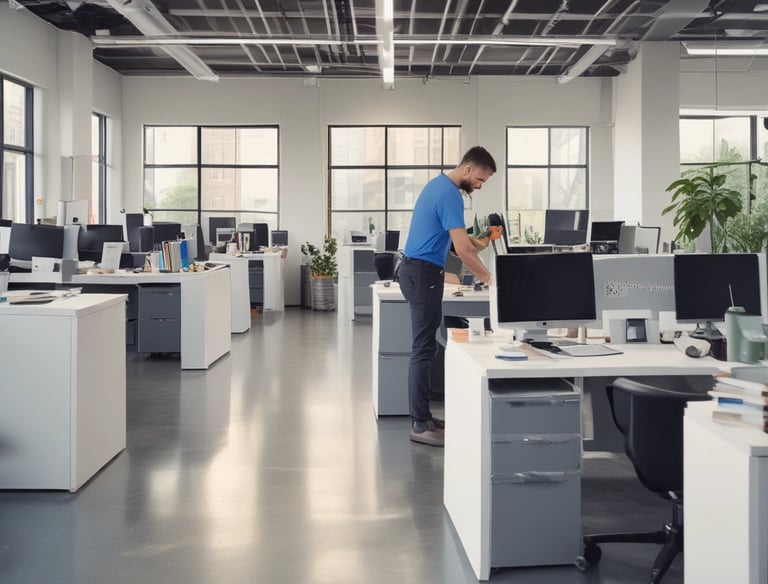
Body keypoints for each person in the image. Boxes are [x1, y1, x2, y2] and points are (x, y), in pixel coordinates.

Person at [398, 146, 497, 447]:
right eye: (480, 179)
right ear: (467, 169)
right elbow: (463, 251)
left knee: (425, 348)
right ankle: (419, 424)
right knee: (423, 350)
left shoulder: (439, 186)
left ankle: (425, 418)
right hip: (422, 274)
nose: (480, 186)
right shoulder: (451, 194)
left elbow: (459, 245)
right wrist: (491, 280)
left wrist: (484, 241)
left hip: (419, 272)